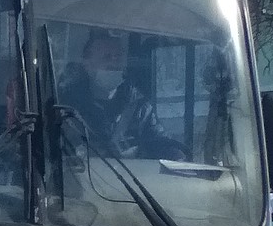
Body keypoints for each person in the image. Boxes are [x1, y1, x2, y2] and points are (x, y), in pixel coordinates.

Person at [62, 30, 185, 160]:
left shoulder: (140, 108)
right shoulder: (68, 110)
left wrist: (174, 153)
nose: (114, 63)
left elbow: (160, 143)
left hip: (132, 180)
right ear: (88, 65)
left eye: (118, 57)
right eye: (107, 57)